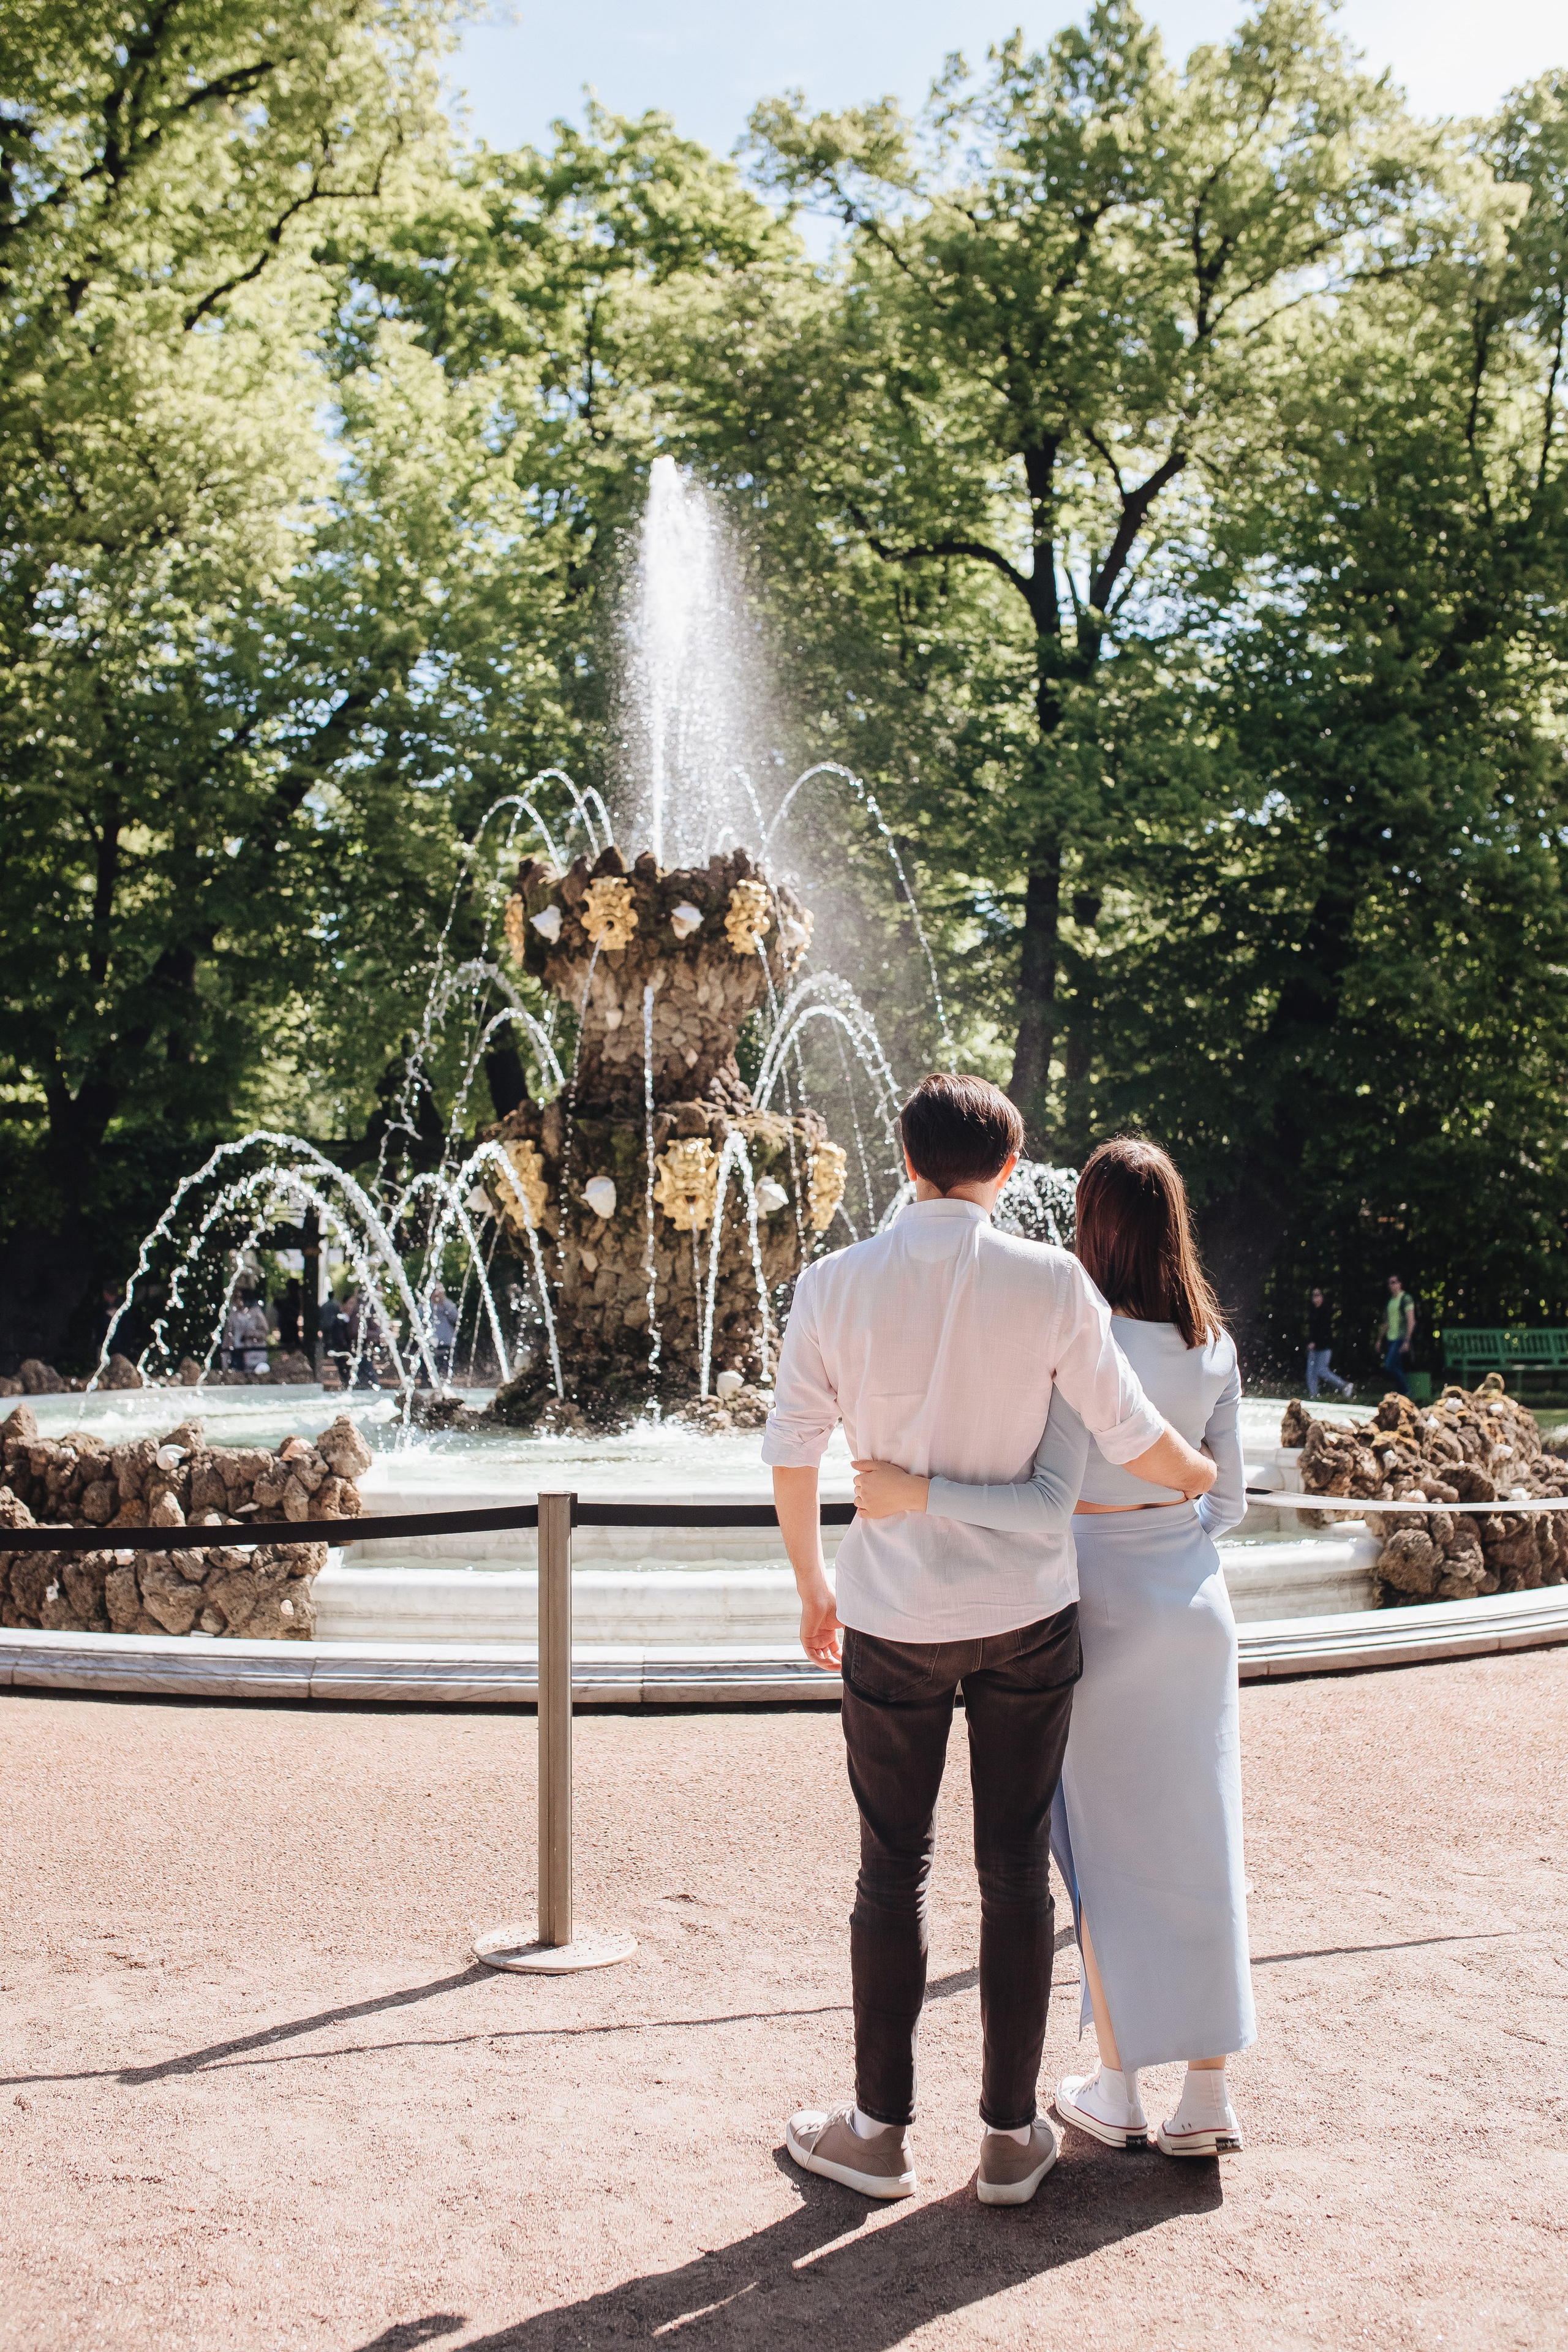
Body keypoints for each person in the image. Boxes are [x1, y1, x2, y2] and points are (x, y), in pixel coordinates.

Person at [762, 1074, 1217, 2207]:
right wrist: (1201, 1474)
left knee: (891, 1869)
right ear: (1010, 1170)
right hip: (1026, 1617)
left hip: (891, 1615)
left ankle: (877, 2135)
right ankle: (1012, 2140)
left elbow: (793, 1450)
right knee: (1015, 1869)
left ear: (904, 1159)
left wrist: (814, 1585)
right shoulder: (1052, 1279)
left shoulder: (832, 1283)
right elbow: (1131, 1435)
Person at [855, 1134, 1256, 2160]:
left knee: (1099, 1855)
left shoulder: (1074, 1331)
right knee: (1204, 1840)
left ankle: (1119, 2087)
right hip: (1193, 1606)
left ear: (1091, 1225)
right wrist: (1172, 1550)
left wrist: (918, 1496)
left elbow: (1046, 1496)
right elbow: (1228, 1504)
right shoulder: (1212, 1345)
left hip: (1091, 1602)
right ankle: (1206, 2097)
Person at [1306, 1286, 1352, 1399]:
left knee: (1322, 1371)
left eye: (1318, 1295)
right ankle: (1313, 1396)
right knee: (1311, 1373)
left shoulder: (1325, 1311)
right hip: (1314, 1347)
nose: (1315, 1298)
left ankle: (1344, 1385)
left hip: (1324, 1347)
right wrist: (1311, 1342)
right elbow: (1312, 1331)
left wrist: (1315, 1343)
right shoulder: (1312, 1311)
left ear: (1322, 1297)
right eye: (1314, 1296)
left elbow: (1324, 1331)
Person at [1379, 1273, 1416, 1396]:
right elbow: (1386, 1322)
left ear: (1400, 1284)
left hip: (1401, 1338)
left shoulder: (1406, 1299)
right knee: (1396, 1365)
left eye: (1394, 1282)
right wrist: (1379, 1339)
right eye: (1390, 1283)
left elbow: (1411, 1321)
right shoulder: (1390, 1302)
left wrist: (1407, 1340)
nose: (1391, 1285)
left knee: (1389, 1365)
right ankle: (1401, 1394)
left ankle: (1405, 1391)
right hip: (1390, 1338)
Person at [427, 1283, 459, 1382]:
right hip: (430, 1345)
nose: (437, 1294)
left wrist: (444, 1302)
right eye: (434, 1291)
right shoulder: (426, 1305)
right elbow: (417, 1318)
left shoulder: (448, 1304)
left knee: (447, 1374)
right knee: (428, 1376)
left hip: (447, 1344)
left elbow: (456, 1318)